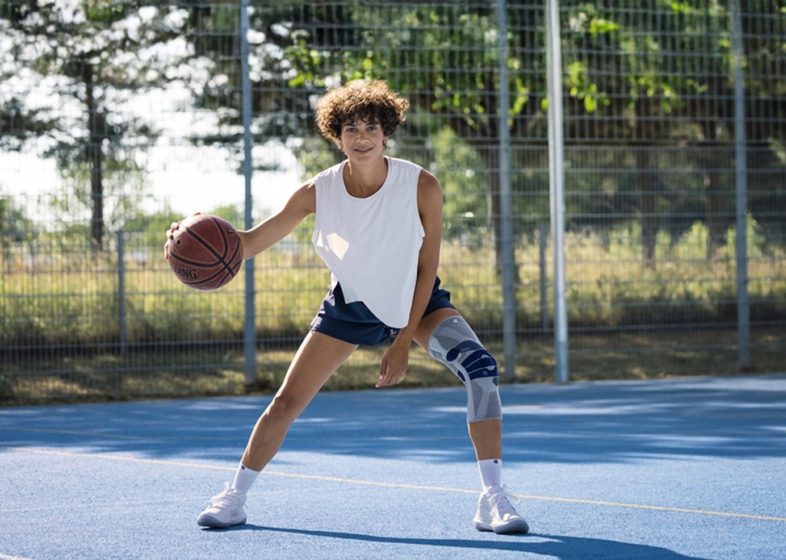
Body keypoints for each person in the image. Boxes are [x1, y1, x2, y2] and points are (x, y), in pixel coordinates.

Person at [166, 79, 528, 534]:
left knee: (481, 369)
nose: (362, 137)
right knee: (286, 402)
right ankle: (233, 498)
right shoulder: (317, 192)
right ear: (336, 136)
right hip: (350, 306)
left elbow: (426, 268)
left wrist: (403, 342)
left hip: (415, 300)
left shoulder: (422, 185)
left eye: (371, 127)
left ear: (387, 132)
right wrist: (190, 230)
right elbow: (250, 242)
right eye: (351, 128)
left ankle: (492, 498)